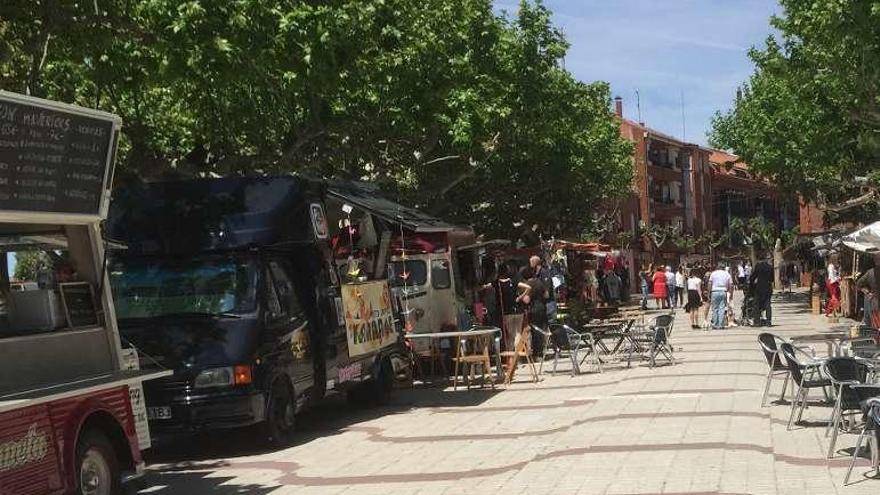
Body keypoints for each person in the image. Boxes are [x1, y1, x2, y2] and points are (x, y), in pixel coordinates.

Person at [750, 257, 774, 326]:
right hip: (768, 287)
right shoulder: (770, 267)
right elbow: (772, 279)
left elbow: (753, 277)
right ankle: (768, 321)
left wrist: (752, 285)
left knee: (756, 305)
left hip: (759, 288)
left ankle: (757, 321)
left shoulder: (758, 266)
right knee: (768, 305)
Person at [708, 262, 733, 329]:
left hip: (715, 291)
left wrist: (709, 293)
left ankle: (715, 324)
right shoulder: (727, 274)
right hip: (723, 291)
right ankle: (720, 324)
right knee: (722, 308)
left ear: (718, 267)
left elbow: (710, 283)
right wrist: (730, 293)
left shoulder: (713, 273)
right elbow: (731, 284)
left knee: (715, 308)